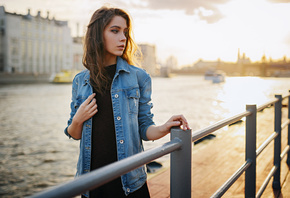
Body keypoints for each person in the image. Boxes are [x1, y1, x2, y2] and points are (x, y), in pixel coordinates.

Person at [64, 5, 189, 198]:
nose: (123, 37)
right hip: (90, 184)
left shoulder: (139, 77)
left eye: (125, 32)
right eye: (115, 31)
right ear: (98, 34)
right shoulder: (80, 81)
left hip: (130, 183)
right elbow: (74, 133)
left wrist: (164, 128)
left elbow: (144, 128)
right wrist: (78, 119)